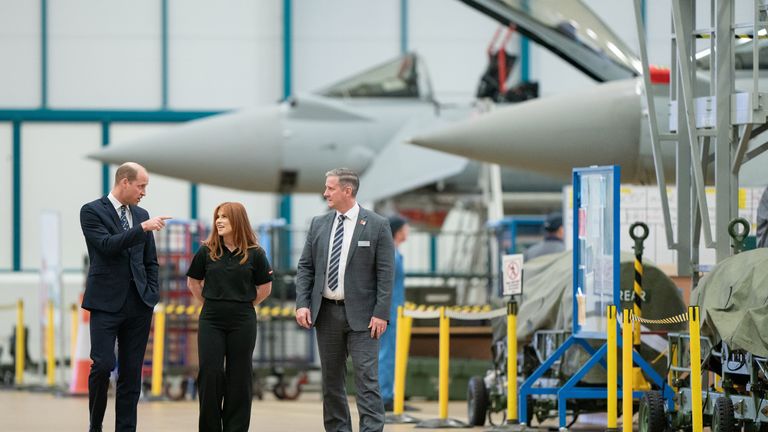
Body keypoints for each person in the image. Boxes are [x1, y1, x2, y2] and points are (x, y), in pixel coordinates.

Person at [295, 168, 394, 432]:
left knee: (367, 380)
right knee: (331, 382)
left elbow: (386, 274)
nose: (325, 193)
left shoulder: (377, 225)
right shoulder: (318, 224)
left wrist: (381, 312)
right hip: (326, 314)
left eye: (330, 188)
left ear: (347, 191)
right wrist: (302, 303)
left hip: (365, 318)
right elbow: (305, 267)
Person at [79, 162, 170, 432]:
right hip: (105, 303)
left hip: (139, 303)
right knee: (103, 364)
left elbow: (149, 261)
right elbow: (107, 246)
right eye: (141, 186)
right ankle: (95, 425)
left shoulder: (141, 213)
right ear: (125, 182)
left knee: (131, 374)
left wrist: (152, 292)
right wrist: (141, 229)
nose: (144, 192)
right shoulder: (92, 211)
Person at [186, 202, 273, 432]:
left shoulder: (256, 253)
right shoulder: (207, 250)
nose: (219, 221)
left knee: (240, 376)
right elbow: (193, 282)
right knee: (210, 373)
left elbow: (265, 288)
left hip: (242, 319)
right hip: (211, 319)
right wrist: (210, 302)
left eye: (225, 217)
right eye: (218, 216)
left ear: (238, 221)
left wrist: (244, 304)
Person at [379, 215, 409, 411]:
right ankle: (385, 397)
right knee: (387, 354)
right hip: (388, 310)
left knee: (393, 354)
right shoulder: (389, 253)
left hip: (396, 309)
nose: (408, 232)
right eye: (406, 228)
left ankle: (393, 395)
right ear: (398, 231)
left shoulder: (395, 252)